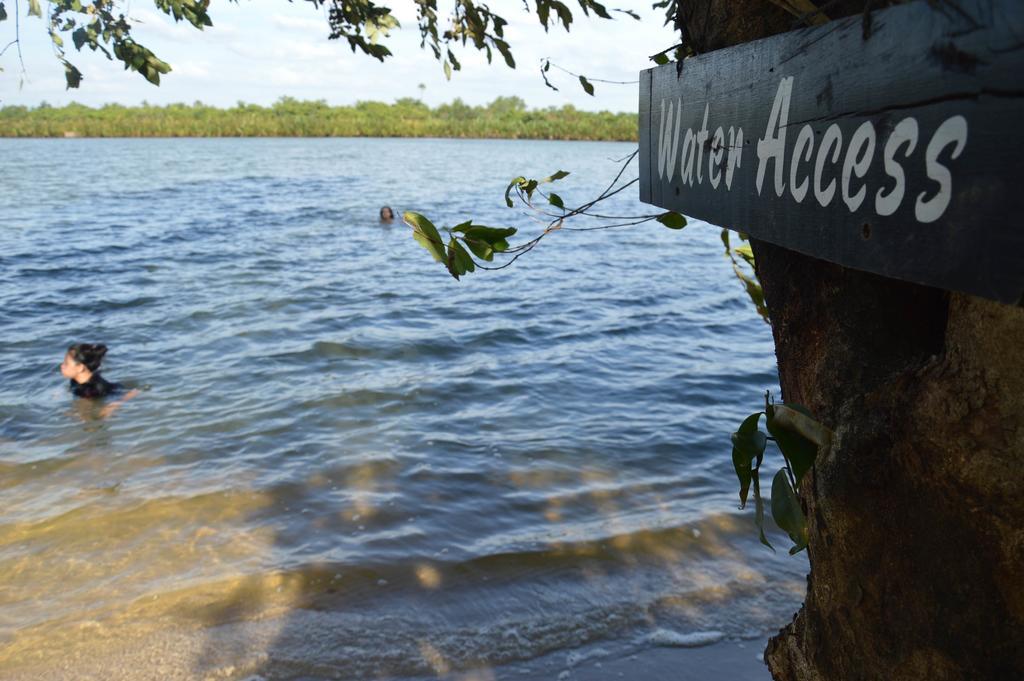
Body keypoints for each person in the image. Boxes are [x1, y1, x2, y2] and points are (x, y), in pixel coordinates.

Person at [60, 344, 139, 414]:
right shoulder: (74, 380)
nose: (62, 366)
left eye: (66, 363)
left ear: (80, 368)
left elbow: (90, 416)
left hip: (117, 393)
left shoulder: (89, 390)